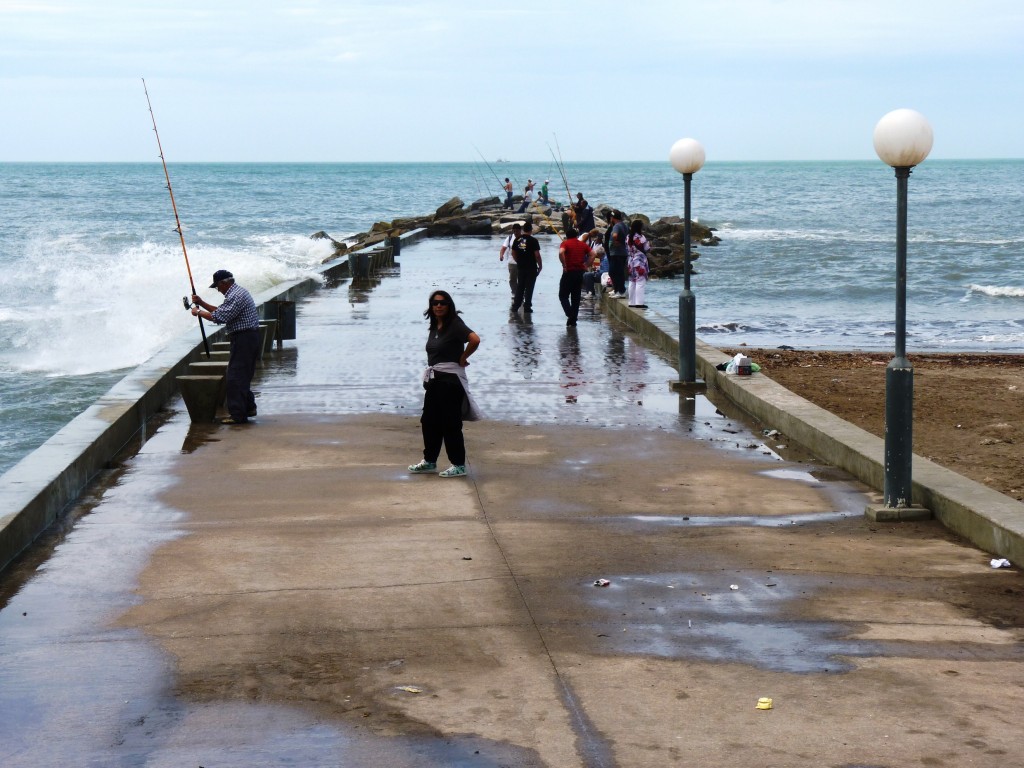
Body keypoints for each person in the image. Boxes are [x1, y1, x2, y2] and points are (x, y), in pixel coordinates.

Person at [408, 290, 482, 478]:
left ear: (449, 305)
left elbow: (475, 339)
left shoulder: (455, 324)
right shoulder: (435, 326)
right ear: (431, 306)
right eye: (435, 303)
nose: (439, 306)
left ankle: (458, 464)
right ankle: (429, 461)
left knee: (450, 423)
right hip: (435, 381)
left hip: (450, 381)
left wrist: (463, 357)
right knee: (429, 421)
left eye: (442, 303)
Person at [191, 269, 261, 425]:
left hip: (244, 339)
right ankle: (249, 407)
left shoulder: (235, 296)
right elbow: (221, 311)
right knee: (242, 375)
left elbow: (219, 317)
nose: (218, 290)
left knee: (235, 377)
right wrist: (201, 303)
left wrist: (198, 312)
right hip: (248, 338)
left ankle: (238, 415)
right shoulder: (237, 293)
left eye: (217, 286)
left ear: (223, 283)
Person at [557, 226, 592, 326]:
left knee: (563, 295)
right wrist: (586, 265)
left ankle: (570, 314)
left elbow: (561, 252)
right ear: (576, 235)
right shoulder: (582, 245)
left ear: (567, 236)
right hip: (580, 273)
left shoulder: (565, 243)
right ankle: (573, 321)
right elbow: (593, 254)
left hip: (568, 272)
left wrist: (564, 265)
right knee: (576, 297)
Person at [510, 221, 542, 313]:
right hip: (531, 267)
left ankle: (516, 306)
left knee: (520, 286)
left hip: (521, 267)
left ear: (523, 230)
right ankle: (527, 306)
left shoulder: (518, 240)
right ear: (531, 230)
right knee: (529, 287)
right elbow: (537, 255)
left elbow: (513, 253)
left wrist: (518, 261)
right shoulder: (533, 240)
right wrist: (540, 266)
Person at [626, 219, 651, 308]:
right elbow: (647, 248)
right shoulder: (641, 237)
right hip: (639, 261)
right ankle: (639, 303)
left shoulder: (628, 237)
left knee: (632, 281)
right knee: (640, 281)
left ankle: (631, 302)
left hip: (631, 261)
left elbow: (627, 248)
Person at [606, 210, 629, 298]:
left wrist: (615, 240)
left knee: (614, 272)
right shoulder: (624, 225)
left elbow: (615, 235)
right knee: (618, 272)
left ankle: (621, 291)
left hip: (617, 253)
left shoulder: (617, 226)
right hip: (621, 252)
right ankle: (618, 290)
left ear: (613, 218)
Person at [498, 222, 521, 300]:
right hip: (511, 262)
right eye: (514, 231)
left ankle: (521, 293)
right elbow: (503, 248)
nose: (515, 233)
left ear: (520, 230)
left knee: (521, 279)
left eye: (517, 231)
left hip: (522, 262)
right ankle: (514, 292)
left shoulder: (524, 238)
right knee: (512, 279)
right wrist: (501, 255)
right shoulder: (510, 238)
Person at [582, 228, 605, 297]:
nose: (599, 240)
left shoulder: (602, 245)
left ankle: (592, 290)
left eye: (600, 239)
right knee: (589, 271)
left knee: (594, 271)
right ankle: (589, 287)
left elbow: (601, 254)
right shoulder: (592, 243)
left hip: (597, 259)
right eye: (599, 238)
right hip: (591, 258)